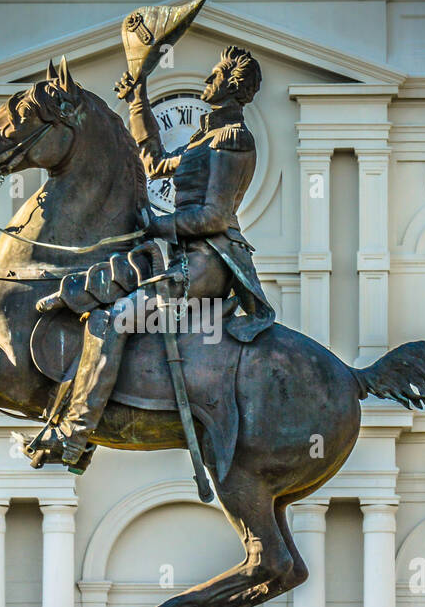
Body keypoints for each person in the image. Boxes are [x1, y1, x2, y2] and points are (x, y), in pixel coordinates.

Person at [31, 45, 277, 469]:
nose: (208, 80)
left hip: (210, 261)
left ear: (234, 87)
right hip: (183, 254)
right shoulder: (205, 137)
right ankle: (74, 298)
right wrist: (138, 99)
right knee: (117, 265)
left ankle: (77, 435)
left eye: (216, 75)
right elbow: (153, 161)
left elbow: (214, 216)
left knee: (116, 317)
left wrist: (155, 223)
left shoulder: (232, 140)